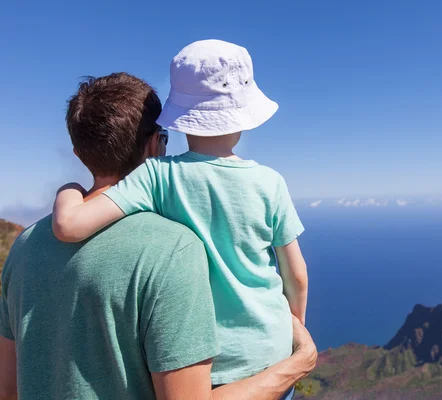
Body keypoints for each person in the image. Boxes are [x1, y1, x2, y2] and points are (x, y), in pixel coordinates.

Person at [0, 72, 316, 400]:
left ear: (78, 153)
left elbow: (8, 390)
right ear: (155, 144)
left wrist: (68, 189)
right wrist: (297, 363)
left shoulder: (24, 247)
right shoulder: (172, 249)